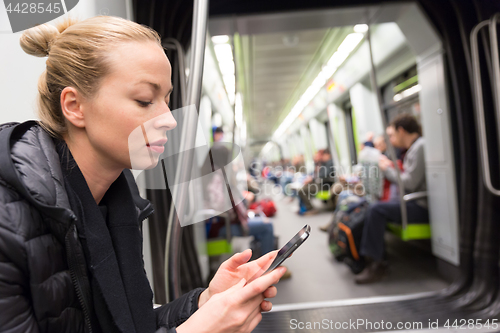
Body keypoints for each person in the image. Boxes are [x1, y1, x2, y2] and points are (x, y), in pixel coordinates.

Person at [0, 16, 286, 332]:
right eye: (145, 100)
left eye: (166, 99)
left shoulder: (117, 204)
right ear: (75, 106)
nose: (169, 119)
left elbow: (131, 326)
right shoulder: (7, 223)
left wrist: (204, 302)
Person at [356, 113, 428, 284]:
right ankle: (369, 258)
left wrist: (386, 169)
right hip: (409, 201)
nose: (390, 139)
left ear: (401, 131)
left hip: (419, 205)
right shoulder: (410, 149)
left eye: (391, 135)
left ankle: (377, 265)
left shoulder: (420, 147)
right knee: (371, 206)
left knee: (376, 209)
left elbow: (409, 183)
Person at [297, 149, 335, 215]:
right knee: (301, 187)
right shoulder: (321, 163)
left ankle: (310, 208)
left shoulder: (329, 163)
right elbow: (315, 173)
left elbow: (324, 174)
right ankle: (303, 208)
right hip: (318, 183)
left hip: (323, 185)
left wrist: (312, 178)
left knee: (302, 190)